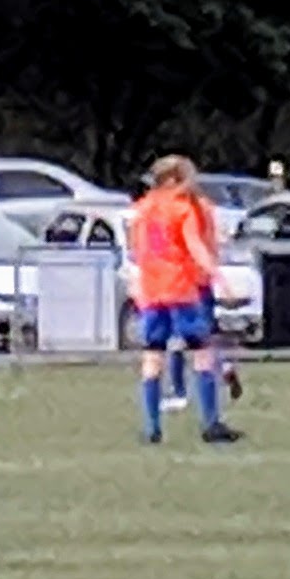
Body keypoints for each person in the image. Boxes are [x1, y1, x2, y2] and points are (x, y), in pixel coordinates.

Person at [126, 154, 237, 447]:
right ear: (174, 180)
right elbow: (194, 245)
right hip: (179, 287)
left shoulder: (143, 209)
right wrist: (217, 275)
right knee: (202, 352)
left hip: (151, 290)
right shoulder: (181, 208)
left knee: (153, 355)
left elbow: (136, 251)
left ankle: (152, 428)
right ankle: (211, 423)